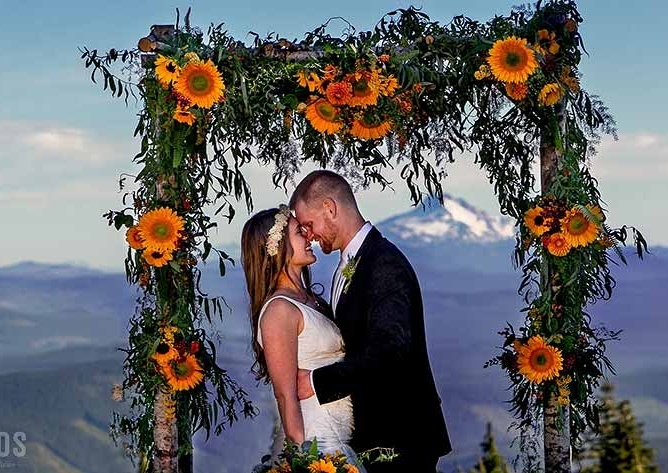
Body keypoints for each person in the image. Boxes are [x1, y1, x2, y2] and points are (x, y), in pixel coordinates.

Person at [289, 170, 452, 472]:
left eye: (309, 224)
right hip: (372, 434)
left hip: (400, 434)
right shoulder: (351, 262)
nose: (309, 235)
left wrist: (315, 381)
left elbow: (389, 351)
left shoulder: (384, 263)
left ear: (330, 208)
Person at [240, 204, 366, 471]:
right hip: (317, 442)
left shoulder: (311, 300)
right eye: (300, 232)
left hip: (343, 435)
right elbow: (285, 396)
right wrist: (302, 458)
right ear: (277, 247)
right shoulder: (279, 311)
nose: (309, 237)